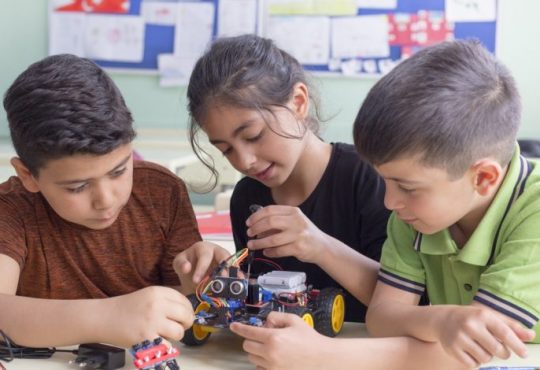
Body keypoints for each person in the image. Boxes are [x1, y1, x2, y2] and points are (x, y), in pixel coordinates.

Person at [228, 40, 539, 370]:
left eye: (406, 187)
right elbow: (382, 316)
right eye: (386, 181)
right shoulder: (416, 212)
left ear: (484, 178)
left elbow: (480, 353)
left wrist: (322, 356)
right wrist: (441, 320)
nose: (390, 202)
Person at [0, 54, 229, 348]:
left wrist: (198, 277)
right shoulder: (12, 209)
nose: (106, 200)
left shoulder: (162, 192)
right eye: (77, 187)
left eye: (119, 170)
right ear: (28, 174)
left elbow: (183, 308)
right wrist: (107, 317)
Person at [185, 34, 390, 324]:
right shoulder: (247, 197)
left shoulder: (368, 177)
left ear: (298, 102)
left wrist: (320, 247)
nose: (244, 161)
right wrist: (225, 278)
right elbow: (259, 303)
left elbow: (409, 300)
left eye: (254, 136)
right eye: (226, 149)